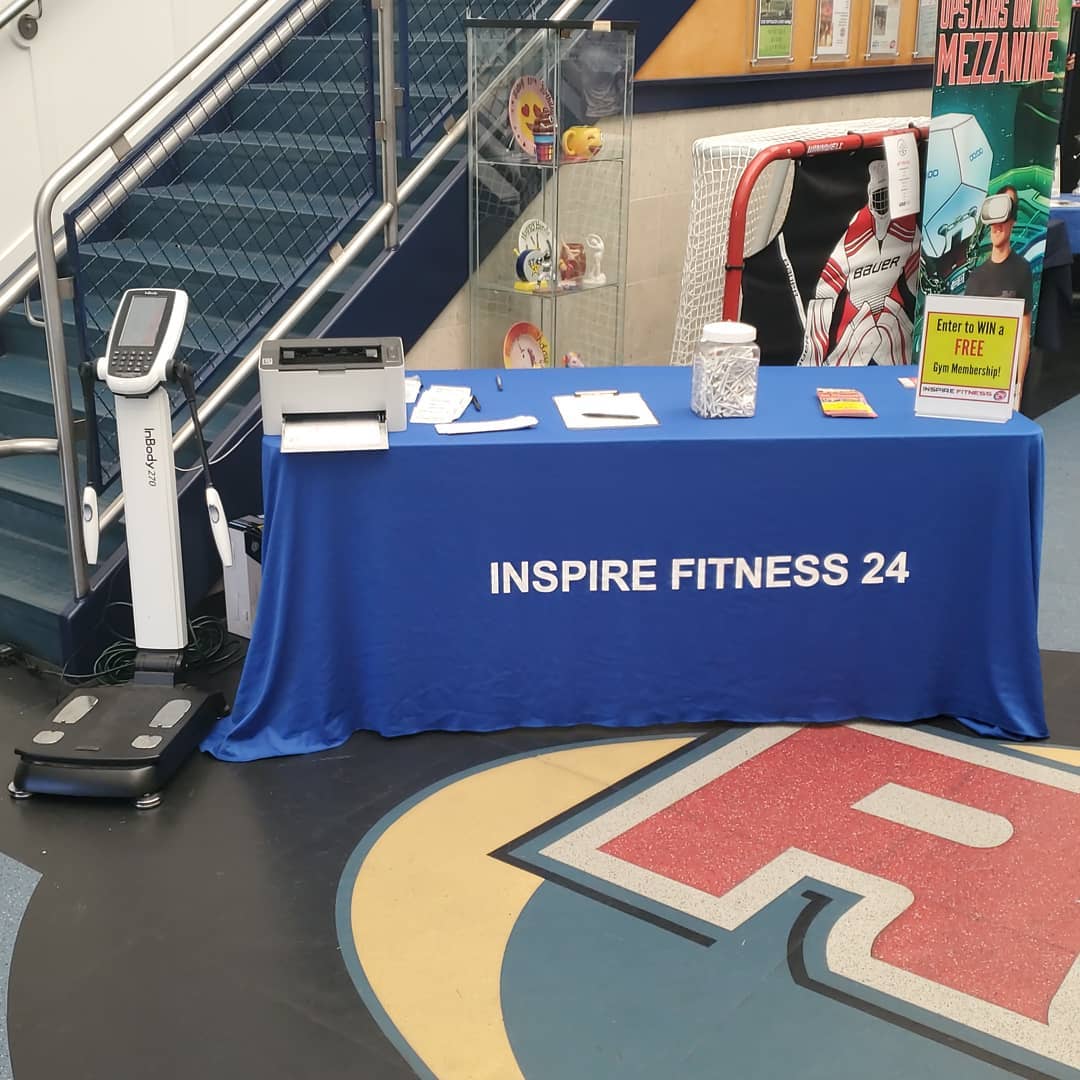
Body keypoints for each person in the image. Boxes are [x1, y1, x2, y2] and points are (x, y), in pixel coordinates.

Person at [963, 186, 1033, 402]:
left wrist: (1018, 388)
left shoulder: (1022, 270)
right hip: (978, 378)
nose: (997, 226)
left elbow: (1024, 334)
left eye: (1005, 217)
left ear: (1013, 221)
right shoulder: (976, 276)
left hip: (1005, 378)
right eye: (994, 219)